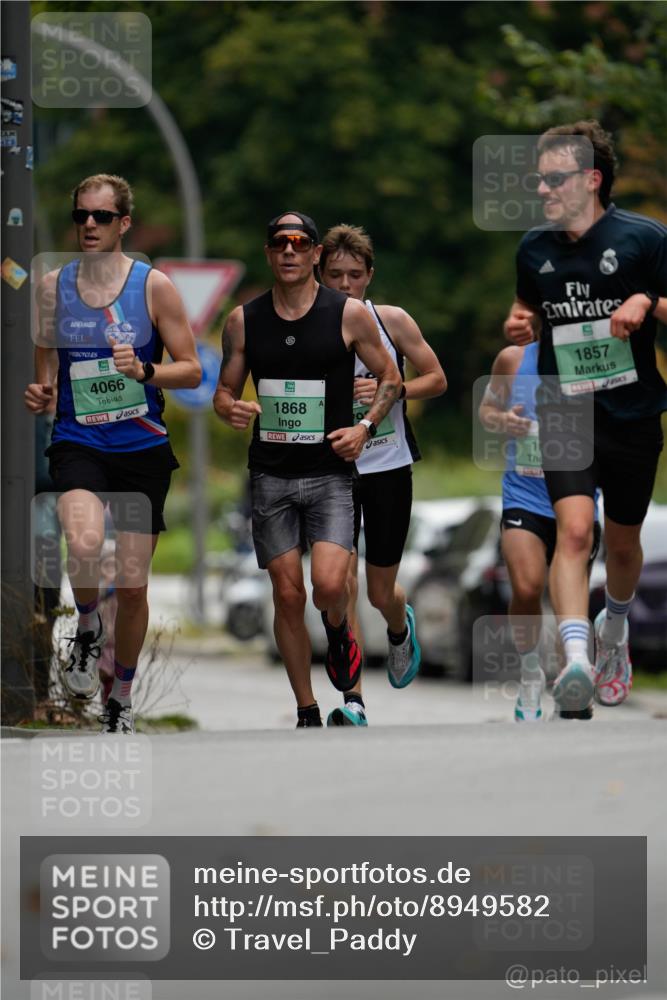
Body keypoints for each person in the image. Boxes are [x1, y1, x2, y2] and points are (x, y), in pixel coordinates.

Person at [25, 173, 201, 734]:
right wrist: (45, 388)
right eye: (82, 217)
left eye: (101, 217)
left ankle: (120, 695)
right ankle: (87, 624)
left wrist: (145, 370)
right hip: (80, 440)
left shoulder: (153, 288)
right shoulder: (53, 287)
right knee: (79, 539)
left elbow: (192, 368)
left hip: (142, 447)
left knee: (132, 584)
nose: (90, 226)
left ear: (124, 222)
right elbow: (46, 359)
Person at [213, 211, 402, 728]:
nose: (290, 251)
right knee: (287, 593)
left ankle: (339, 631)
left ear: (316, 253)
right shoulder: (243, 320)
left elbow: (390, 377)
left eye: (300, 243)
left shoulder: (348, 315)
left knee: (328, 586)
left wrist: (365, 426)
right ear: (270, 253)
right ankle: (306, 707)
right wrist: (228, 406)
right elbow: (224, 391)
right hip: (271, 474)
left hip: (331, 473)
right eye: (280, 243)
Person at [504, 121, 666, 717]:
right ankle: (576, 660)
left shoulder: (645, 238)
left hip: (633, 413)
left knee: (622, 547)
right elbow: (527, 308)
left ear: (591, 180)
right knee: (574, 534)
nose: (543, 190)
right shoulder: (534, 248)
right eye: (538, 180)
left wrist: (644, 300)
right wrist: (520, 324)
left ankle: (614, 636)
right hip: (564, 407)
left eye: (555, 179)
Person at [319, 224, 446, 726]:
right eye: (335, 275)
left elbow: (436, 378)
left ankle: (399, 628)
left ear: (369, 275)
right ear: (319, 275)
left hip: (388, 464)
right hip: (332, 470)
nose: (345, 284)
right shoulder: (309, 326)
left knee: (378, 592)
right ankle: (354, 701)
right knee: (340, 583)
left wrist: (392, 391)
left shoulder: (390, 320)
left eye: (354, 274)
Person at [479, 340, 600, 721]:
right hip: (524, 494)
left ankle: (572, 679)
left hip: (578, 495)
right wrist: (503, 420)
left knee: (569, 597)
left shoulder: (589, 355)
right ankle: (531, 673)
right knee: (528, 587)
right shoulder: (512, 358)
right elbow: (487, 410)